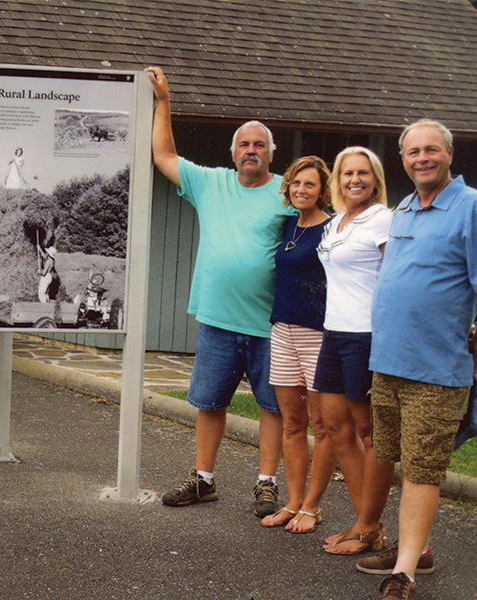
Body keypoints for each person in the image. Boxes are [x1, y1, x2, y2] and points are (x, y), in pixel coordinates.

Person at [146, 67, 295, 516]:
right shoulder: (211, 183)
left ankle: (266, 484)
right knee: (209, 403)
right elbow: (163, 155)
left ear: (272, 153)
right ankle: (203, 480)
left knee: (273, 408)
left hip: (271, 324)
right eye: (244, 145)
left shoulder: (290, 192)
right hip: (217, 318)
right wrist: (164, 101)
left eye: (259, 145)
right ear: (233, 153)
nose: (252, 150)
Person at [358, 119, 477, 600]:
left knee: (424, 469)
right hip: (389, 363)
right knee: (398, 460)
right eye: (413, 152)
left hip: (436, 368)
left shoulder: (470, 207)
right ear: (403, 159)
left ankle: (404, 574)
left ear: (450, 154)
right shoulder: (404, 208)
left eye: (431, 150)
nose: (422, 158)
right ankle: (416, 548)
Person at [316, 147, 394, 556]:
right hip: (335, 333)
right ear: (339, 179)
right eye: (348, 174)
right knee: (334, 427)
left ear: (375, 178)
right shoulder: (337, 222)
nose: (355, 180)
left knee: (370, 432)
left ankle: (369, 527)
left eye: (363, 173)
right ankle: (367, 520)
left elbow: (393, 278)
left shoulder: (383, 219)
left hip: (365, 335)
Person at [261, 156, 335, 533]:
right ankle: (292, 501)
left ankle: (312, 505)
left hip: (318, 335)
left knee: (323, 425)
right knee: (292, 422)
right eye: (296, 183)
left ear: (323, 190)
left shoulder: (334, 228)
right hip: (283, 330)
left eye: (310, 184)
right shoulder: (290, 225)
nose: (302, 190)